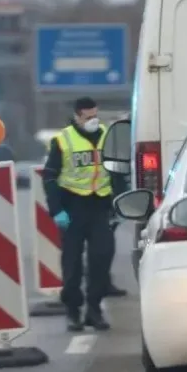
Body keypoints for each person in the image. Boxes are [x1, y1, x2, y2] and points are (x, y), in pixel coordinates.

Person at [42, 97, 128, 332]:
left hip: (99, 207)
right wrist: (57, 210)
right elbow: (49, 177)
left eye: (95, 116)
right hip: (72, 208)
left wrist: (119, 204)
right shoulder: (63, 140)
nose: (93, 121)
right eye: (88, 117)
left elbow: (118, 173)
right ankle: (72, 310)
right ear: (77, 116)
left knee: (102, 258)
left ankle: (94, 309)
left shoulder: (107, 136)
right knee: (72, 265)